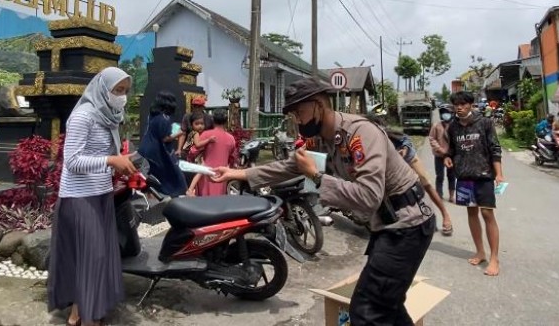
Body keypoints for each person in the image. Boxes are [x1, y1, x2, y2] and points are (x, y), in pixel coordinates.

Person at [213, 78, 435, 325]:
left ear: (319, 105)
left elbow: (369, 196)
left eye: (300, 112)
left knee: (367, 310)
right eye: (293, 115)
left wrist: (317, 176)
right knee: (387, 305)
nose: (297, 121)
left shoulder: (359, 133)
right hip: (388, 224)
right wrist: (238, 173)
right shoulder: (322, 138)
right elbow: (291, 166)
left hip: (408, 225)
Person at [47, 67, 136, 326]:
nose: (122, 96)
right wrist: (110, 160)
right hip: (79, 197)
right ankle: (88, 318)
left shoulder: (109, 116)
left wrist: (122, 163)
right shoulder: (83, 116)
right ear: (102, 89)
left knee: (94, 257)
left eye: (125, 91)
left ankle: (77, 313)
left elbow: (104, 156)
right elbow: (73, 161)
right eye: (117, 90)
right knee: (93, 257)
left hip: (101, 194)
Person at [444, 91, 504, 277]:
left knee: (487, 213)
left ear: (470, 104)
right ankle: (480, 252)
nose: (459, 108)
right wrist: (447, 157)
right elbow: (451, 149)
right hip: (464, 177)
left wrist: (499, 173)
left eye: (463, 104)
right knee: (472, 213)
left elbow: (495, 148)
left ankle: (494, 258)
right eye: (456, 105)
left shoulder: (484, 122)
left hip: (484, 175)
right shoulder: (452, 127)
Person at [385, 128, 453, 236]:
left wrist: (405, 149)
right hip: (391, 164)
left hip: (407, 157)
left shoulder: (380, 131)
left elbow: (405, 138)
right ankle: (426, 218)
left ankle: (445, 215)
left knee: (427, 185)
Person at [139, 91, 187, 196]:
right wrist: (180, 133)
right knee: (172, 172)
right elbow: (165, 138)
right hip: (157, 150)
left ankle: (150, 193)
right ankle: (175, 192)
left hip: (146, 148)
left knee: (153, 173)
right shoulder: (164, 118)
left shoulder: (152, 116)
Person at [187, 110, 237, 197]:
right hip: (221, 175)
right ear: (226, 121)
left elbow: (193, 152)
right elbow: (232, 159)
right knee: (218, 200)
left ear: (213, 120)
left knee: (204, 201)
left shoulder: (206, 135)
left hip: (206, 174)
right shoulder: (231, 139)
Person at [428, 105, 456, 203]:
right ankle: (439, 195)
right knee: (439, 176)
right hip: (439, 155)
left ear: (452, 114)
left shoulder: (455, 126)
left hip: (452, 156)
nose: (445, 115)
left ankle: (451, 196)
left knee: (452, 176)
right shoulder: (436, 125)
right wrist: (440, 150)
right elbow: (432, 139)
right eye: (444, 113)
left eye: (447, 112)